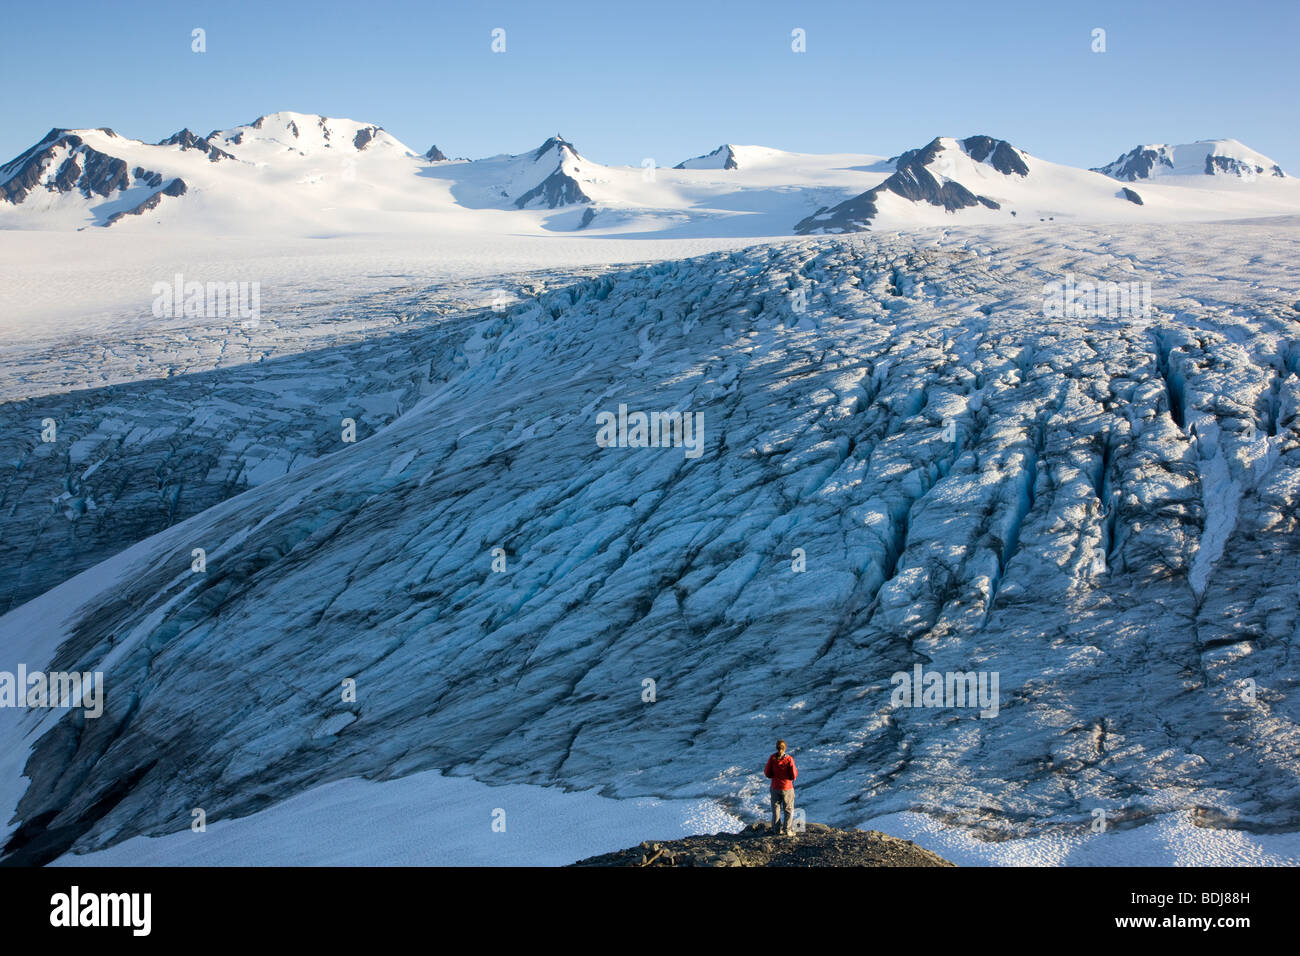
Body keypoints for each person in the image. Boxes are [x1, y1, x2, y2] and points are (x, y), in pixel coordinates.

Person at [764, 739, 797, 835]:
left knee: (776, 809)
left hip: (775, 787)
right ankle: (787, 830)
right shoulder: (789, 759)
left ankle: (776, 830)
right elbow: (794, 775)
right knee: (788, 809)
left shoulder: (772, 758)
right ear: (785, 748)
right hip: (787, 787)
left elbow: (767, 772)